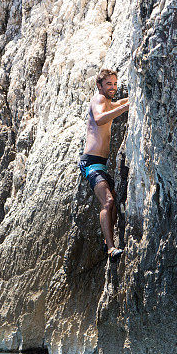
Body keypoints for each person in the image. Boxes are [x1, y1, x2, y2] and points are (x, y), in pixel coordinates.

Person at [78, 68, 129, 263]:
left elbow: (119, 102)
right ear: (99, 86)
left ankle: (106, 239)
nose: (113, 88)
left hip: (101, 163)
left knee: (113, 201)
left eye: (115, 84)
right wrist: (124, 108)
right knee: (108, 201)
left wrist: (129, 101)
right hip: (91, 163)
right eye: (109, 84)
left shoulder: (107, 102)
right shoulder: (99, 99)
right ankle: (110, 248)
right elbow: (99, 119)